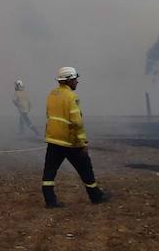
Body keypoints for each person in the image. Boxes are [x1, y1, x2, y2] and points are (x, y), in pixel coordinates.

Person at [41, 66, 108, 209]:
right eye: (75, 79)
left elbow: (49, 115)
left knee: (49, 172)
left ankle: (50, 201)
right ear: (69, 80)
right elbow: (77, 122)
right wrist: (82, 142)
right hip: (70, 141)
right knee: (85, 168)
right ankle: (96, 196)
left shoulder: (51, 94)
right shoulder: (72, 97)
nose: (77, 82)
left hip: (53, 139)